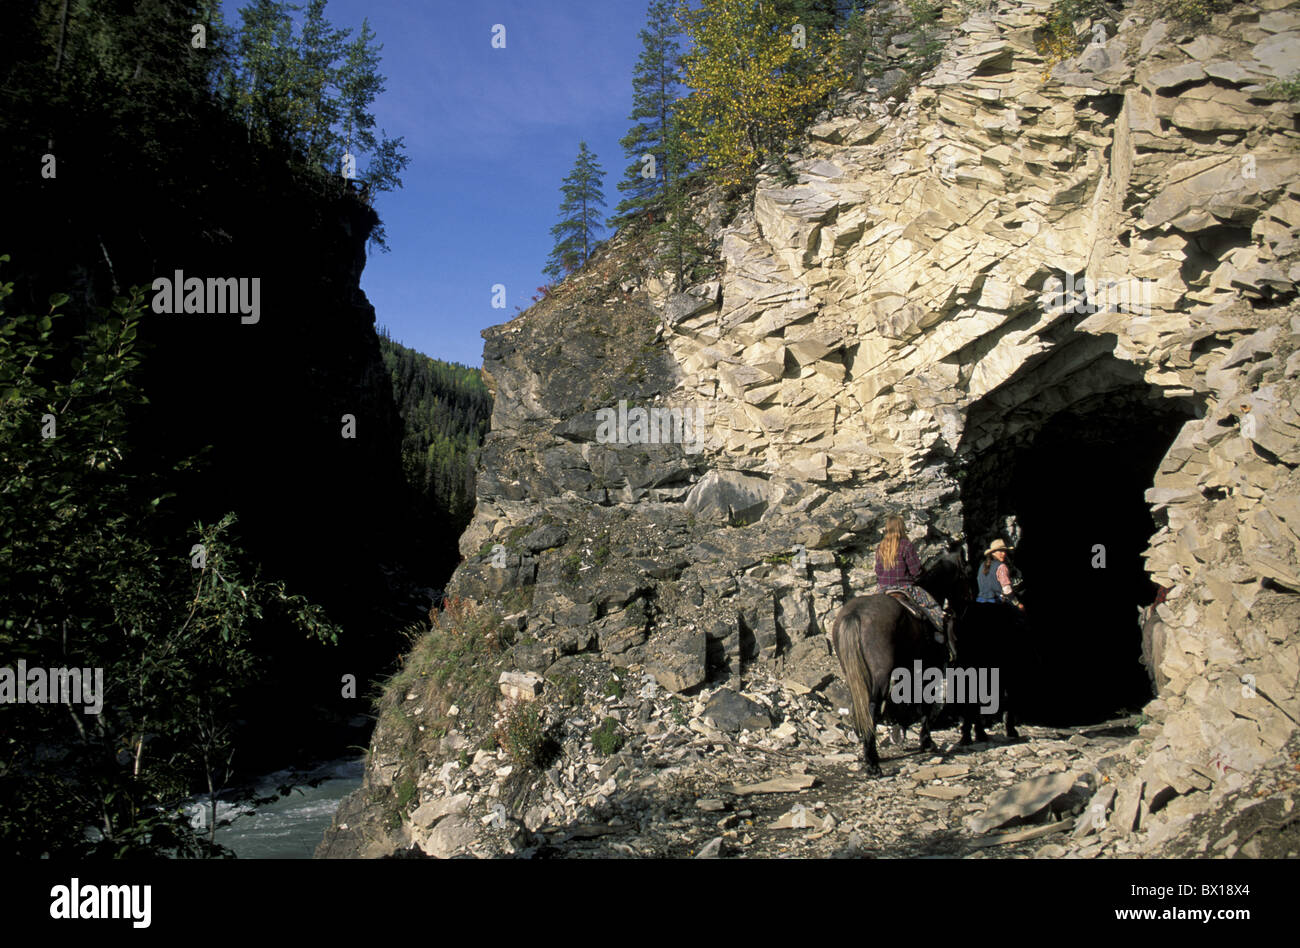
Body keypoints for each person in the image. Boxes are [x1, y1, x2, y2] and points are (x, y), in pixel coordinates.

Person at [875, 514, 950, 654]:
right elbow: (915, 571)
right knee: (932, 606)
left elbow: (878, 571)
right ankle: (939, 634)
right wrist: (922, 573)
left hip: (882, 589)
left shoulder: (880, 547)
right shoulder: (906, 545)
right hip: (904, 587)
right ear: (901, 527)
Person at [977, 539, 1024, 611]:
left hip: (981, 603)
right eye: (1000, 551)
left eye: (1004, 551)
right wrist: (1017, 604)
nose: (1004, 553)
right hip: (997, 604)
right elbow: (1007, 590)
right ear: (993, 553)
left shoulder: (982, 566)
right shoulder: (1001, 567)